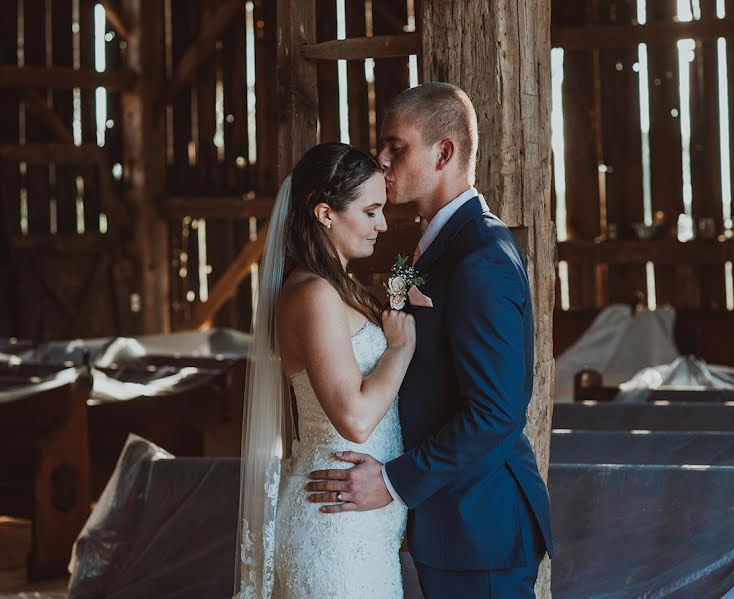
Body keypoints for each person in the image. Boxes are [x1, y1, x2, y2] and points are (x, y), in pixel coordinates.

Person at [306, 82, 554, 598]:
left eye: (396, 147)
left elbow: (497, 412)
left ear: (444, 152)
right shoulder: (435, 249)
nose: (381, 159)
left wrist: (394, 482)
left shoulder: (480, 256)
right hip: (449, 524)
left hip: (479, 527)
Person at [234, 142, 416, 598]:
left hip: (363, 524)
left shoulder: (341, 287)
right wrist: (399, 350)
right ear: (325, 214)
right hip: (333, 524)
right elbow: (353, 419)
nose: (383, 224)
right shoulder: (313, 294)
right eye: (371, 211)